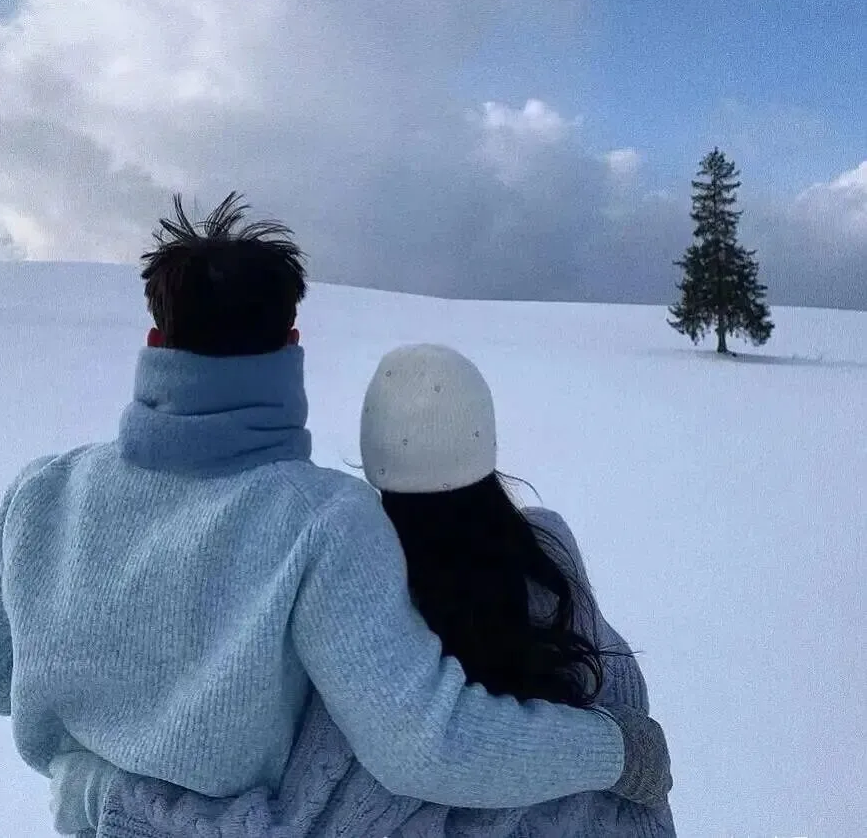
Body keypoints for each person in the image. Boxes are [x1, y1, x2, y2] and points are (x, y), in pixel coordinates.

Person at [0, 194, 671, 835]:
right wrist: (614, 751)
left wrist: (83, 718)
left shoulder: (44, 491)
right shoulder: (324, 521)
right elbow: (425, 746)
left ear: (156, 342)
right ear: (291, 346)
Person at [49, 344, 676, 836]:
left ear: (373, 455)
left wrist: (93, 788)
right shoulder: (554, 569)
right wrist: (617, 754)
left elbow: (287, 820)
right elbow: (639, 794)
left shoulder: (350, 600)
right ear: (485, 442)